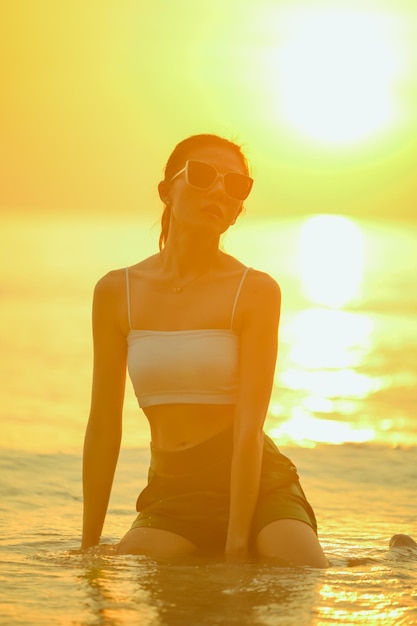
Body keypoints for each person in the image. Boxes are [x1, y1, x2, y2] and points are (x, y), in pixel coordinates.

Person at [81, 133, 328, 567]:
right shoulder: (115, 292)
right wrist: (87, 550)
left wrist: (236, 548)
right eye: (202, 175)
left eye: (235, 186)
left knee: (298, 571)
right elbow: (104, 427)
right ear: (166, 191)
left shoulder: (255, 291)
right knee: (135, 564)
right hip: (174, 491)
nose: (218, 189)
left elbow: (250, 428)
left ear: (236, 212)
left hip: (257, 484)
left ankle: (395, 560)